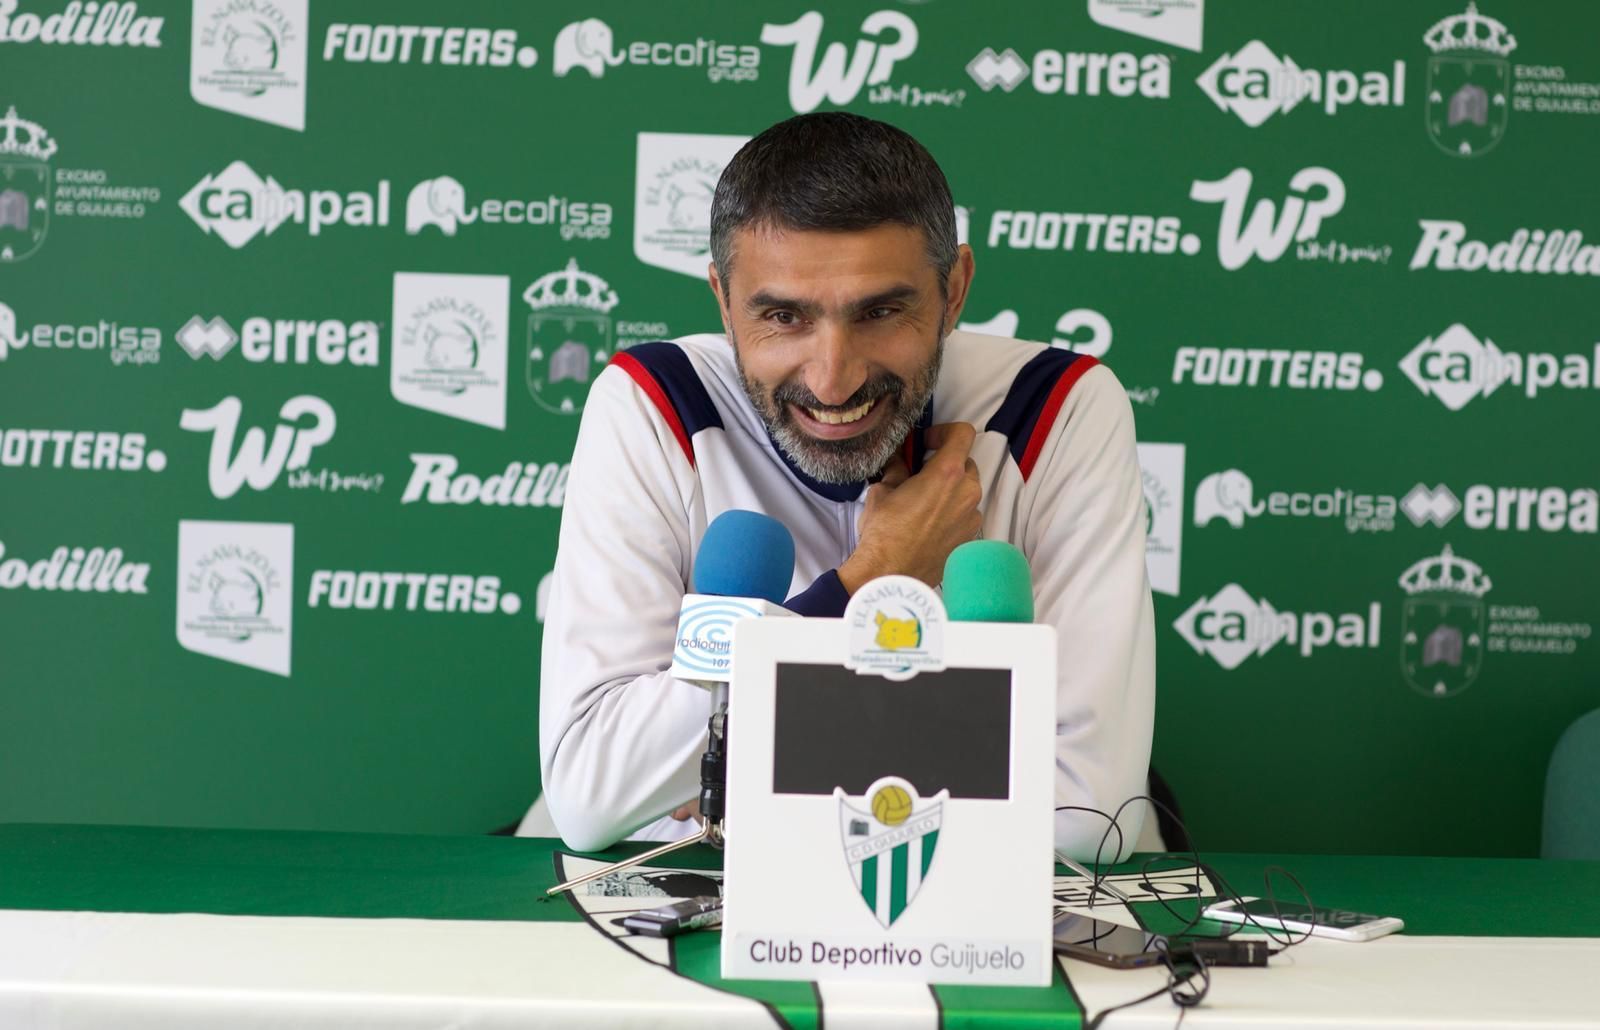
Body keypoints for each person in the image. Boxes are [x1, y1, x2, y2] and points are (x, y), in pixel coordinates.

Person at [522, 112, 1155, 861]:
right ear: (724, 302)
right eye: (784, 317)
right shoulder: (654, 400)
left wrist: (734, 767)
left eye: (881, 311)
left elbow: (1084, 815)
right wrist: (871, 578)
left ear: (954, 290)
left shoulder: (1062, 405)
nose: (833, 377)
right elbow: (594, 794)